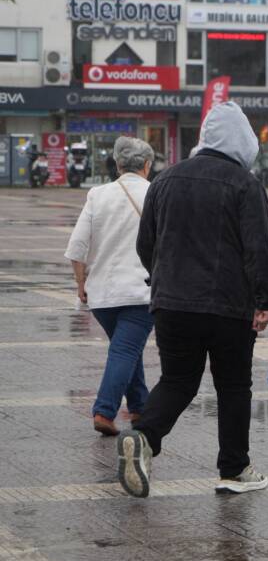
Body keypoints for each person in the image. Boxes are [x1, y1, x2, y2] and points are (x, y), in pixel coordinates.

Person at [116, 102, 268, 499]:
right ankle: (233, 469)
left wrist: (164, 281)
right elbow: (257, 249)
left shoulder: (165, 180)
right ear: (243, 141)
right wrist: (264, 299)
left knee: (178, 380)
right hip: (228, 306)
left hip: (171, 303)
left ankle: (144, 437)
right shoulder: (245, 184)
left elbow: (145, 244)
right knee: (234, 385)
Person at [65, 137, 155, 437]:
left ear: (117, 165)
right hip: (142, 291)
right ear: (147, 165)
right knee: (126, 349)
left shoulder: (98, 194)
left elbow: (77, 246)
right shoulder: (156, 193)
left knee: (126, 348)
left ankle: (141, 407)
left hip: (102, 295)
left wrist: (81, 283)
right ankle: (104, 410)